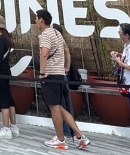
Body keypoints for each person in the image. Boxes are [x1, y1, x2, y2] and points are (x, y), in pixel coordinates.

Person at [34, 9, 91, 150]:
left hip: (50, 75)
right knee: (59, 106)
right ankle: (79, 135)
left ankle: (60, 139)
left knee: (54, 108)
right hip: (59, 74)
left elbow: (44, 54)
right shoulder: (57, 33)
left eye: (36, 18)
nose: (35, 21)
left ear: (41, 19)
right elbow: (66, 49)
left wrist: (41, 73)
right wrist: (65, 67)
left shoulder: (45, 35)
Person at [0, 14, 19, 139]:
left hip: (0, 71)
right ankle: (14, 127)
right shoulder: (7, 39)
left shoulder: (0, 40)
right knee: (9, 99)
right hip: (5, 70)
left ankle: (6, 128)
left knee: (3, 100)